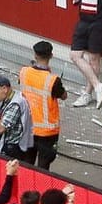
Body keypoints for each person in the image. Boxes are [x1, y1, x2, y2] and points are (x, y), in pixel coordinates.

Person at [19, 41, 68, 169]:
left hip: (27, 126)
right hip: (47, 132)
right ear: (51, 55)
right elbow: (63, 96)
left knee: (26, 163)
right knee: (43, 167)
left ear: (35, 55)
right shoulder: (52, 80)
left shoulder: (24, 72)